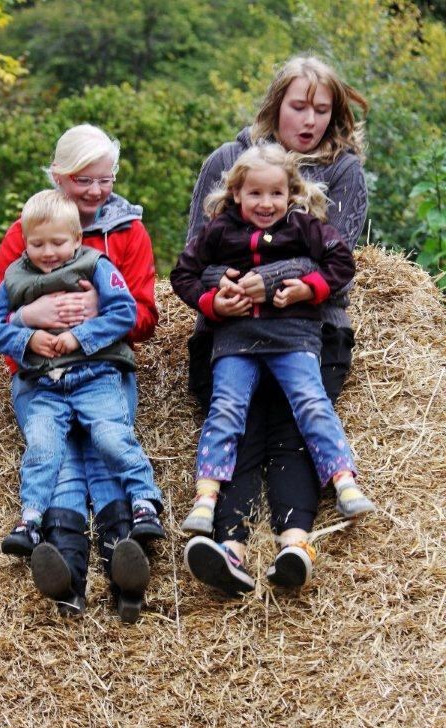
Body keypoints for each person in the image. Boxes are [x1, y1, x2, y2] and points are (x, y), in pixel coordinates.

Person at [171, 55, 370, 595]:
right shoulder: (226, 159)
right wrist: (223, 291)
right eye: (299, 106)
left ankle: (294, 545)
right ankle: (228, 548)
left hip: (310, 330)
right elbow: (195, 255)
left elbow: (338, 262)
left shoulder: (343, 171)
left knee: (294, 426)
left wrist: (272, 279)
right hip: (230, 331)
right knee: (234, 421)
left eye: (322, 110)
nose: (310, 120)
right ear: (275, 105)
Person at [0, 124, 161, 622]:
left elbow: (143, 316)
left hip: (101, 369)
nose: (95, 191)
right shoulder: (29, 230)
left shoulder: (128, 232)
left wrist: (93, 316)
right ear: (58, 177)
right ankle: (66, 576)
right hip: (42, 374)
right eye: (83, 180)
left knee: (105, 449)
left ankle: (127, 569)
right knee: (58, 459)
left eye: (105, 179)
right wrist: (28, 322)